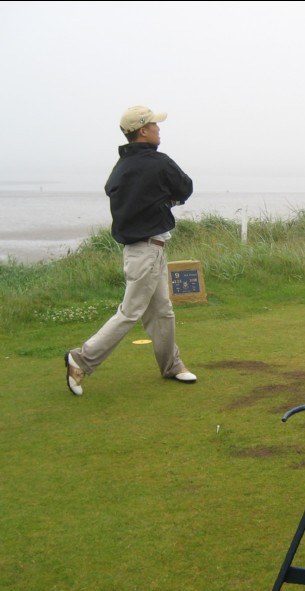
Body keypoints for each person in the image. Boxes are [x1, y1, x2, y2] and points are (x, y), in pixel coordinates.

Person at [65, 105, 197, 396]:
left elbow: (114, 190)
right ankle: (81, 358)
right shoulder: (159, 162)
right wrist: (167, 200)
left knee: (162, 311)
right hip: (146, 251)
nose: (159, 129)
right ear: (143, 130)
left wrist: (157, 201)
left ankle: (171, 365)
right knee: (130, 312)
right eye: (154, 125)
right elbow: (185, 187)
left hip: (145, 250)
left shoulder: (122, 166)